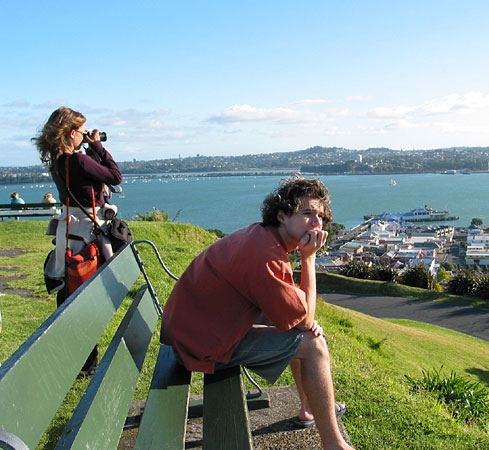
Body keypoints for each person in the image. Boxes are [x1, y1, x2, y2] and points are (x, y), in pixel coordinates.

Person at [161, 176, 354, 450]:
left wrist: (302, 320)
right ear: (282, 215)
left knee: (299, 331)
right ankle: (334, 444)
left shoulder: (262, 238)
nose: (316, 222)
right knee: (314, 346)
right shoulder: (266, 255)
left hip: (195, 331)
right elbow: (306, 319)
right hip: (199, 346)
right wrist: (309, 258)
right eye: (307, 213)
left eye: (321, 216)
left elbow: (298, 317)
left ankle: (309, 408)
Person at [32, 106, 122, 376]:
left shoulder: (59, 163)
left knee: (71, 290)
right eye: (82, 133)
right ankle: (86, 361)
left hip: (69, 233)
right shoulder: (80, 161)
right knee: (86, 293)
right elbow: (115, 176)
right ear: (71, 133)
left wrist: (89, 146)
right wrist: (97, 147)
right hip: (88, 235)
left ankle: (81, 358)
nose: (85, 137)